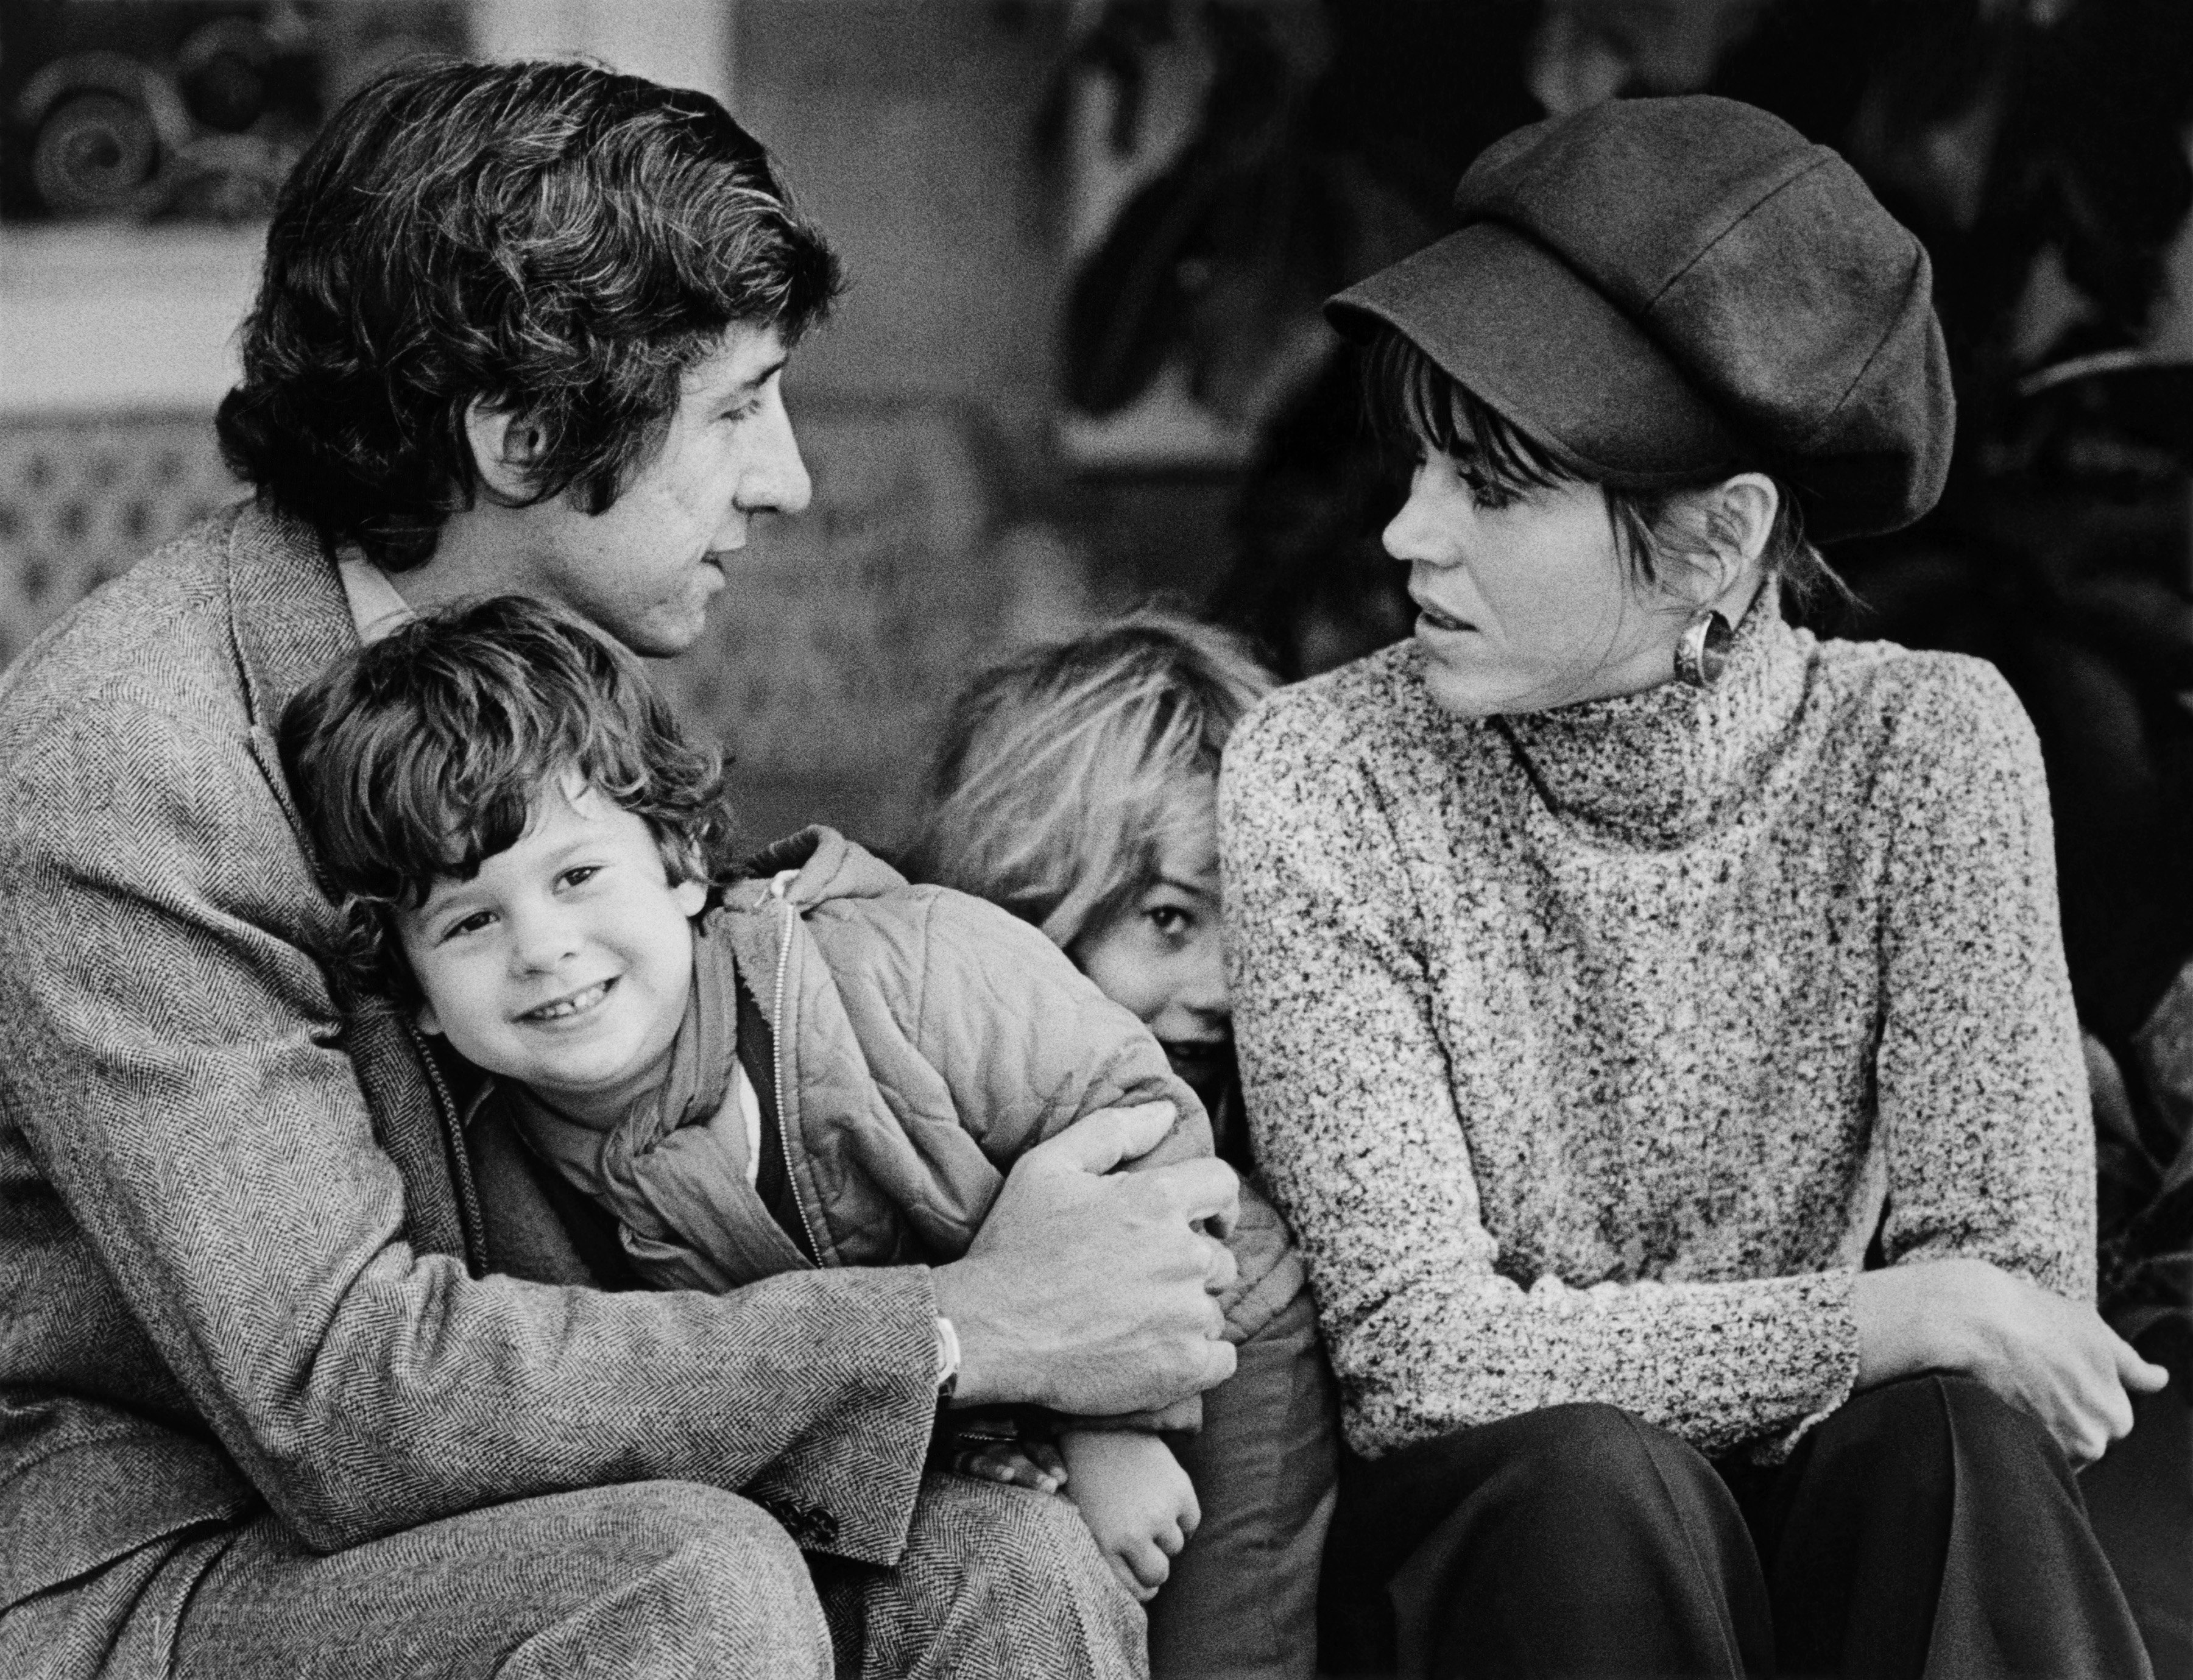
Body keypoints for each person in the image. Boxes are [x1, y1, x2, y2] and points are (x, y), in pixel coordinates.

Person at [0, 58, 1238, 1680]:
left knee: (1007, 1560)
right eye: (736, 407)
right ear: (521, 434)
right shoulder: (128, 775)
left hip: (508, 1488)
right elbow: (341, 1393)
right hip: (171, 1562)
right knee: (692, 1580)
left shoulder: (527, 680)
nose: (787, 477)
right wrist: (964, 1320)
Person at [1219, 95, 2170, 1679]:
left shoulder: (1926, 748)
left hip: (1846, 1551)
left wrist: (1927, 1334)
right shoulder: (1325, 774)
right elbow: (1425, 1359)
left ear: (1722, 540)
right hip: (1515, 1558)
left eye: (1495, 488)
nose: (1405, 533)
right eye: (1419, 467)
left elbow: (2018, 1332)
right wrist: (1879, 1316)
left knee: (1951, 1448)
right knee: (1595, 1476)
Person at [276, 592, 1308, 1618]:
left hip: (1217, 1334)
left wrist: (1113, 1424)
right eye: (471, 922)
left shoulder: (908, 970)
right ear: (414, 993)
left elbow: (1143, 1118)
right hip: (953, 1443)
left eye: (579, 874)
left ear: (682, 865)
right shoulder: (488, 1168)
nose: (542, 947)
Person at [908, 612, 1337, 1680]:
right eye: (1170, 920)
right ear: (1024, 906)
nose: (1226, 988)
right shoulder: (865, 1161)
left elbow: (1237, 1645)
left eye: (1258, 921)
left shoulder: (1237, 1261)